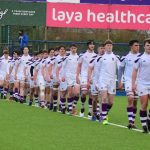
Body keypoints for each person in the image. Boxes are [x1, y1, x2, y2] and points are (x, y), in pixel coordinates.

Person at [118, 40, 141, 129]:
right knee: (130, 98)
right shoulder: (125, 57)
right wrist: (120, 81)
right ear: (131, 46)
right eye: (136, 45)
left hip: (139, 81)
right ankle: (130, 121)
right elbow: (120, 69)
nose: (138, 47)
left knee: (135, 101)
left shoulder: (141, 57)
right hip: (128, 80)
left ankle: (133, 121)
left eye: (138, 45)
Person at [97, 40, 120, 125]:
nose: (109, 47)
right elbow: (97, 71)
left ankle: (103, 113)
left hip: (112, 81)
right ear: (105, 47)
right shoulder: (101, 58)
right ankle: (104, 118)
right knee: (104, 99)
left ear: (112, 47)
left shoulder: (116, 57)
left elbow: (120, 68)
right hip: (103, 80)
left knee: (111, 102)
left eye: (110, 45)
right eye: (107, 45)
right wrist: (97, 82)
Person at [132, 38, 150, 133]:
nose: (149, 47)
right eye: (147, 45)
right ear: (144, 46)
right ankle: (144, 125)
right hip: (142, 84)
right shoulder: (140, 58)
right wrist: (133, 84)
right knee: (144, 104)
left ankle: (149, 119)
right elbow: (134, 71)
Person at [76, 40, 97, 118]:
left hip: (93, 76)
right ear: (88, 45)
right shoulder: (83, 55)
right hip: (84, 76)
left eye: (93, 44)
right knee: (84, 92)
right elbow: (79, 66)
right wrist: (77, 76)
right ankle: (82, 106)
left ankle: (90, 111)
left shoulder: (96, 55)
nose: (92, 45)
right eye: (90, 44)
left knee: (92, 95)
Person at [88, 43, 105, 121]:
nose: (102, 50)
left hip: (104, 81)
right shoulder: (94, 58)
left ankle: (101, 114)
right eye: (101, 48)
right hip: (95, 80)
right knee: (94, 99)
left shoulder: (107, 58)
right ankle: (94, 113)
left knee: (103, 98)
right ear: (98, 50)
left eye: (103, 48)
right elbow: (90, 68)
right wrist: (89, 78)